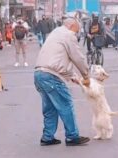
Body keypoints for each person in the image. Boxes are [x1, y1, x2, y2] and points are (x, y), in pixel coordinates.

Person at [34, 18, 91, 146]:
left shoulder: (56, 33)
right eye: (77, 30)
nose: (77, 33)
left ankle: (47, 137)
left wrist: (73, 77)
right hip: (51, 76)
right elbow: (77, 57)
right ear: (71, 26)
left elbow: (59, 59)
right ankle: (72, 136)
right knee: (66, 104)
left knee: (50, 108)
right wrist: (85, 75)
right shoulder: (68, 35)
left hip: (39, 74)